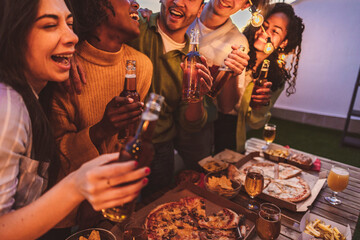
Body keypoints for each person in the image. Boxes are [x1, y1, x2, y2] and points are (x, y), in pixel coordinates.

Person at [0, 0, 150, 239]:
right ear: (14, 32)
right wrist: (78, 185)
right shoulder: (8, 105)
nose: (72, 38)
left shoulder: (38, 92)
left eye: (70, 25)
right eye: (50, 25)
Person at [128, 0, 214, 195]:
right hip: (116, 143)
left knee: (156, 211)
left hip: (159, 150)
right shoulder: (135, 25)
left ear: (201, 9)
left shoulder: (193, 61)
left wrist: (198, 97)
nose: (178, 1)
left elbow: (190, 123)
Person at [175, 0, 262, 169]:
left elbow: (226, 106)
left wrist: (231, 73)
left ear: (245, 5)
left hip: (198, 126)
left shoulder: (238, 42)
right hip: (161, 116)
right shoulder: (185, 9)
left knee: (195, 178)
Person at [215, 2, 305, 153]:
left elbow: (255, 123)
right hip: (208, 123)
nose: (265, 32)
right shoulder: (236, 50)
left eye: (275, 31)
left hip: (233, 135)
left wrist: (259, 106)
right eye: (265, 25)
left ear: (284, 43)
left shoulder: (275, 79)